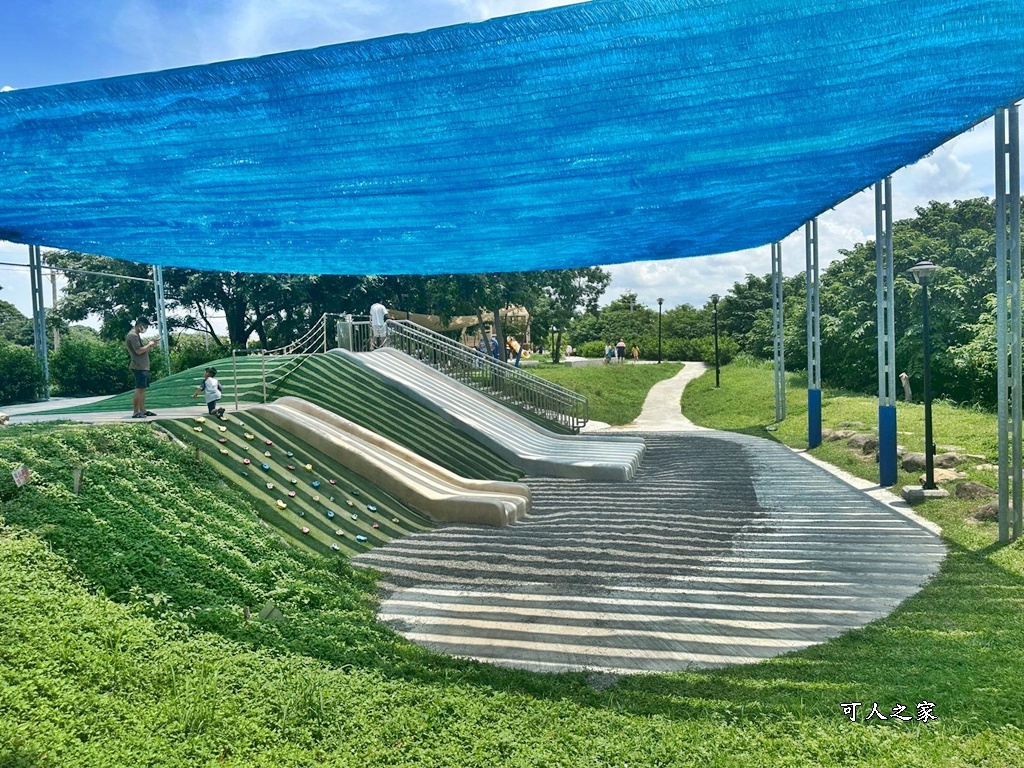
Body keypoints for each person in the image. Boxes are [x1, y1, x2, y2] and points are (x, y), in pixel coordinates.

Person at [126, 316, 160, 418]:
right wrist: (150, 345)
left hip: (143, 366)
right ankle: (136, 411)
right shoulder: (133, 336)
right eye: (145, 326)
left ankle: (142, 410)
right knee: (139, 389)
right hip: (138, 366)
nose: (145, 329)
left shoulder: (136, 335)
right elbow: (139, 351)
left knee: (142, 389)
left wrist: (151, 344)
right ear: (140, 325)